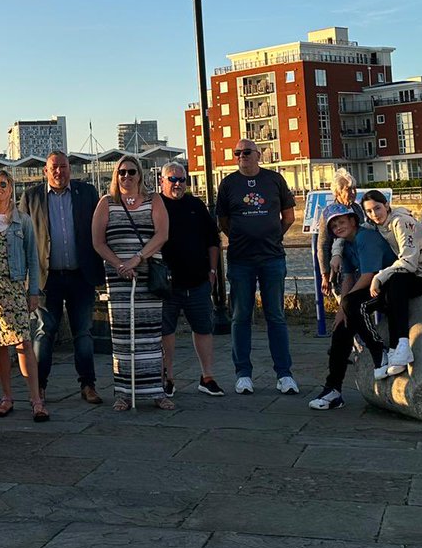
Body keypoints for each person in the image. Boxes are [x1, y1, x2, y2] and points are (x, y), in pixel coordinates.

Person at [20, 150, 105, 404]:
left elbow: (101, 229)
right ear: (45, 171)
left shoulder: (87, 193)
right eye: (54, 167)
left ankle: (88, 385)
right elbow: (22, 238)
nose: (59, 171)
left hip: (81, 275)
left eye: (64, 166)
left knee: (84, 332)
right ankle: (39, 387)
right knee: (44, 332)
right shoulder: (32, 197)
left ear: (70, 169)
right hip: (47, 279)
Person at [216, 138, 298, 395]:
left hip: (272, 258)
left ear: (258, 154)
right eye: (237, 152)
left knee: (276, 315)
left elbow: (289, 217)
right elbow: (223, 221)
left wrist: (272, 236)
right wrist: (242, 237)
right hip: (241, 259)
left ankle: (284, 374)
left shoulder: (274, 180)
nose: (242, 156)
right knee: (240, 316)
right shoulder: (228, 184)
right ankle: (243, 374)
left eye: (246, 152)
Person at [92, 157, 171, 410]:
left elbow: (162, 234)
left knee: (150, 333)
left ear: (140, 175)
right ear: (116, 176)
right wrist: (119, 264)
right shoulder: (106, 203)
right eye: (122, 172)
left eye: (131, 172)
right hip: (119, 278)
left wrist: (137, 258)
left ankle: (157, 390)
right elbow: (98, 242)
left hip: (148, 275)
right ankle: (124, 393)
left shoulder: (153, 200)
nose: (126, 176)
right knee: (123, 336)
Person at [308, 203, 395, 410]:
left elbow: (368, 276)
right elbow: (348, 277)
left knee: (351, 306)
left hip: (390, 286)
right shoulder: (347, 245)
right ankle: (333, 389)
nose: (338, 227)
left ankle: (378, 350)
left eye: (341, 222)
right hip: (372, 288)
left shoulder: (365, 238)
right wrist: (341, 311)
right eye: (333, 226)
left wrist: (347, 304)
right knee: (341, 328)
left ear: (353, 220)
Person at [361, 189, 422, 376]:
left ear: (386, 205)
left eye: (377, 208)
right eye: (369, 211)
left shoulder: (401, 221)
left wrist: (379, 277)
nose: (374, 214)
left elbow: (409, 262)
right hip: (413, 273)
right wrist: (337, 252)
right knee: (387, 289)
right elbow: (356, 230)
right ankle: (394, 349)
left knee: (396, 281)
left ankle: (402, 344)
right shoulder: (378, 226)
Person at [0, 170, 46, 420]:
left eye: (3, 184)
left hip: (15, 286)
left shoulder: (22, 221)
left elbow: (32, 258)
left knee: (24, 343)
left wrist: (33, 292)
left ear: (11, 189)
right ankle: (6, 397)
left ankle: (36, 399)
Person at [156, 162, 223, 397]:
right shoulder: (155, 205)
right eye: (172, 179)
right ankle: (168, 377)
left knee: (203, 328)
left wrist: (212, 271)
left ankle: (207, 377)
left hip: (198, 281)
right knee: (166, 331)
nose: (177, 184)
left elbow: (213, 240)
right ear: (162, 181)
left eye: (182, 179)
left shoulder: (196, 205)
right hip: (166, 283)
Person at [316, 169, 365, 300]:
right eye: (348, 189)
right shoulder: (329, 213)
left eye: (354, 189)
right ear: (338, 192)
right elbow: (323, 245)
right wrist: (325, 275)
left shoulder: (357, 208)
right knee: (346, 303)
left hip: (360, 264)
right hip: (340, 268)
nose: (353, 192)